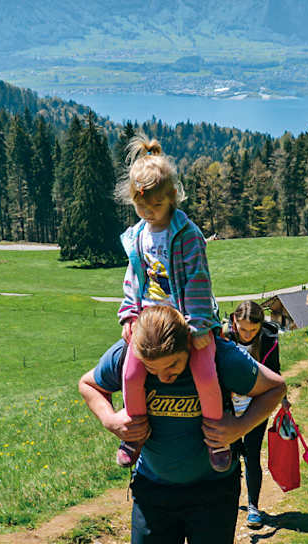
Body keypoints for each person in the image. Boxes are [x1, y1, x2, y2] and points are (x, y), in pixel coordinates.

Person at [78, 305, 287, 544]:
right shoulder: (128, 355)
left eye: (173, 366)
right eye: (152, 370)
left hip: (213, 492)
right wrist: (110, 420)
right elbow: (88, 384)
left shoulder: (219, 358)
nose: (163, 377)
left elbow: (274, 388)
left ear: (189, 346)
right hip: (153, 490)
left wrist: (238, 428)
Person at [114, 136, 229, 472]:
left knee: (206, 375)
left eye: (156, 207)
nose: (149, 213)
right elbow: (133, 279)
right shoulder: (137, 236)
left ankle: (216, 439)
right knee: (132, 372)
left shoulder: (187, 234)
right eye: (142, 207)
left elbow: (198, 279)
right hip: (150, 324)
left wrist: (198, 327)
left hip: (186, 320)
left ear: (172, 198)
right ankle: (134, 435)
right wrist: (128, 316)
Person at [224, 301, 285, 529]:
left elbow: (275, 369)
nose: (248, 334)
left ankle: (253, 506)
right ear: (234, 322)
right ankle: (227, 503)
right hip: (228, 405)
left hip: (257, 405)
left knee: (251, 454)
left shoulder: (268, 339)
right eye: (243, 329)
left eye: (253, 330)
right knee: (229, 454)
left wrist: (283, 399)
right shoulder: (224, 338)